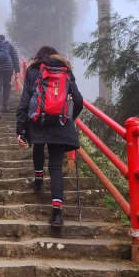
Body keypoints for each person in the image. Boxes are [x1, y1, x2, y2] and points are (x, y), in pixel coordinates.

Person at [16, 45, 83, 228]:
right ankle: (57, 212)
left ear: (39, 56)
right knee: (55, 167)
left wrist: (21, 129)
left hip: (38, 121)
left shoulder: (33, 71)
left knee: (38, 146)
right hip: (61, 124)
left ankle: (38, 180)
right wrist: (70, 118)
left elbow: (25, 101)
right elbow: (78, 100)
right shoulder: (65, 70)